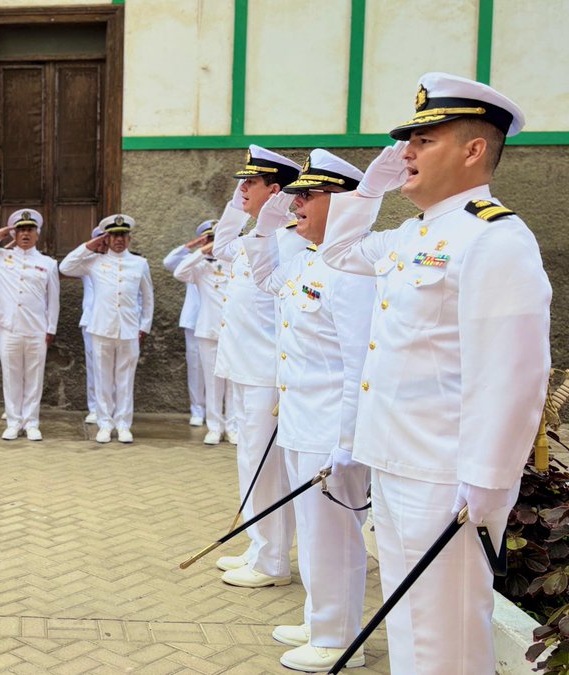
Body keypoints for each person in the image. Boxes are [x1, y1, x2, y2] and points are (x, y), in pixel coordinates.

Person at [321, 72, 550, 674]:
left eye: (424, 140)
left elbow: (513, 373)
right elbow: (339, 253)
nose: (406, 153)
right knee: (411, 626)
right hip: (395, 460)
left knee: (445, 630)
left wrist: (487, 484)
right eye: (406, 142)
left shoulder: (494, 238)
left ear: (474, 150)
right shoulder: (409, 236)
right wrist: (367, 191)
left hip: (447, 476)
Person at [243, 150, 375, 671]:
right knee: (314, 532)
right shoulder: (310, 259)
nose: (296, 203)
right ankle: (322, 618)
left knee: (334, 535)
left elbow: (357, 364)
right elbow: (263, 278)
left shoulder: (354, 268)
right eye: (295, 194)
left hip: (330, 429)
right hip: (301, 421)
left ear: (343, 203)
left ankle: (341, 638)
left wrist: (347, 442)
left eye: (308, 196)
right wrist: (266, 223)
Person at [211, 145, 303, 587]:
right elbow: (222, 246)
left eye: (251, 183)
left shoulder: (291, 241)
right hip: (245, 369)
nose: (242, 188)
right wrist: (238, 206)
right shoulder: (261, 238)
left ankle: (272, 561)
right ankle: (260, 545)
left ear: (277, 190)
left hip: (269, 374)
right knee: (252, 463)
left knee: (266, 469)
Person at [0, 209, 60, 441]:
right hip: (8, 327)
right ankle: (13, 421)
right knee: (11, 375)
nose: (25, 234)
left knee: (34, 376)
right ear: (14, 234)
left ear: (37, 234)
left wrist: (51, 329)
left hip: (37, 328)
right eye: (20, 230)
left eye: (29, 230)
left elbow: (53, 299)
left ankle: (31, 422)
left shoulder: (47, 263)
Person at [60, 215, 153, 444]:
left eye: (122, 235)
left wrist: (144, 326)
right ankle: (105, 423)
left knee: (125, 379)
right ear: (106, 238)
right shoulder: (94, 262)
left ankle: (123, 424)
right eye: (113, 235)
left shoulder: (139, 264)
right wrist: (90, 246)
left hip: (129, 329)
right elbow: (66, 266)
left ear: (129, 238)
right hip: (101, 328)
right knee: (102, 379)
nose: (118, 239)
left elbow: (148, 298)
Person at [170, 221, 235, 445]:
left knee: (232, 382)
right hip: (208, 331)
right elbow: (178, 270)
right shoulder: (203, 267)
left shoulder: (238, 265)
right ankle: (215, 426)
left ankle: (232, 426)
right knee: (212, 381)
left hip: (234, 333)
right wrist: (203, 250)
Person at [162, 223, 208, 427]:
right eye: (208, 237)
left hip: (221, 322)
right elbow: (169, 262)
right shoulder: (193, 261)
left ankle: (222, 413)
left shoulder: (227, 258)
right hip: (194, 321)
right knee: (196, 367)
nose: (212, 242)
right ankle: (197, 409)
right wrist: (196, 246)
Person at [79, 224, 106, 425]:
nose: (102, 244)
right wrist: (88, 246)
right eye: (99, 240)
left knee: (116, 369)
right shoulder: (86, 263)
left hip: (119, 322)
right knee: (93, 367)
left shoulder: (130, 262)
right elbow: (67, 264)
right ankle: (95, 408)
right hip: (90, 321)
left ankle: (112, 409)